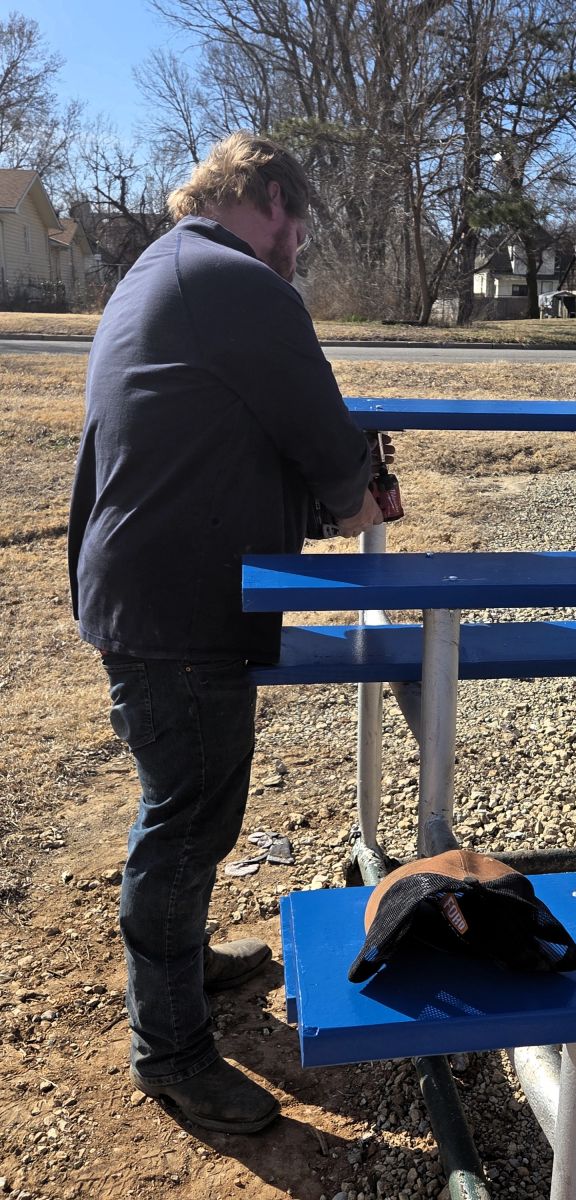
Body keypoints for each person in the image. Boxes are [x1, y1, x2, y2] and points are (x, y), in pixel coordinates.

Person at [67, 132, 381, 1134]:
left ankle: (188, 964)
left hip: (151, 592)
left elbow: (223, 425)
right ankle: (169, 1051)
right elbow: (325, 436)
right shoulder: (241, 285)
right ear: (271, 200)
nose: (300, 247)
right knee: (187, 819)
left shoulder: (158, 270)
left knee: (191, 809)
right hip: (179, 606)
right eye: (299, 224)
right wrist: (364, 504)